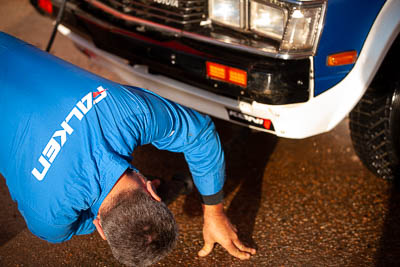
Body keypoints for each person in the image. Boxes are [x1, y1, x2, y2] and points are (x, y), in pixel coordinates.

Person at [0, 32, 256, 266]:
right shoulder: (47, 220)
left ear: (151, 190)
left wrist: (214, 212)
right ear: (100, 229)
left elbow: (199, 134)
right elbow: (68, 228)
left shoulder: (129, 113)